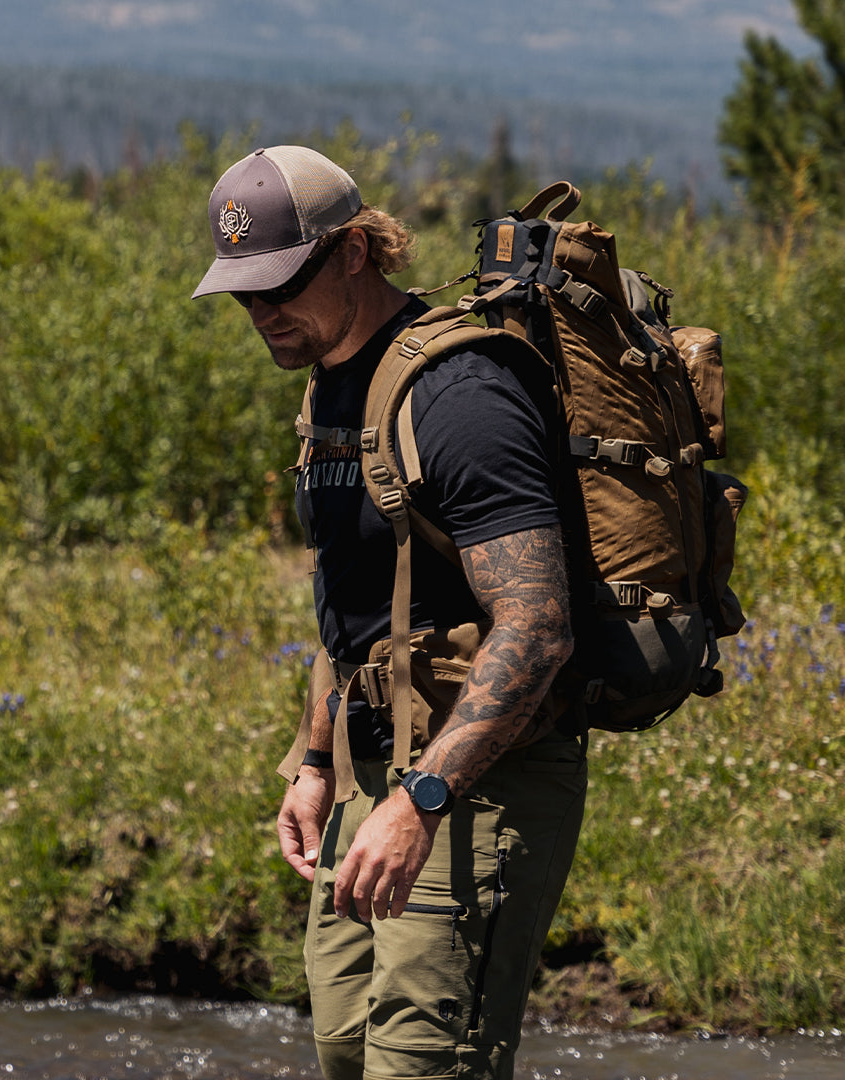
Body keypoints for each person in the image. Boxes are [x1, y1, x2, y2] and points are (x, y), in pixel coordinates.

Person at [193, 145, 587, 1080]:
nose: (263, 313)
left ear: (357, 252)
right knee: (342, 1051)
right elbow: (355, 601)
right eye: (244, 293)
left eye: (281, 284)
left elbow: (538, 626)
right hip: (373, 778)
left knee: (423, 1065)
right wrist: (317, 761)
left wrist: (424, 797)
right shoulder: (332, 383)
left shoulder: (461, 396)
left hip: (475, 784)